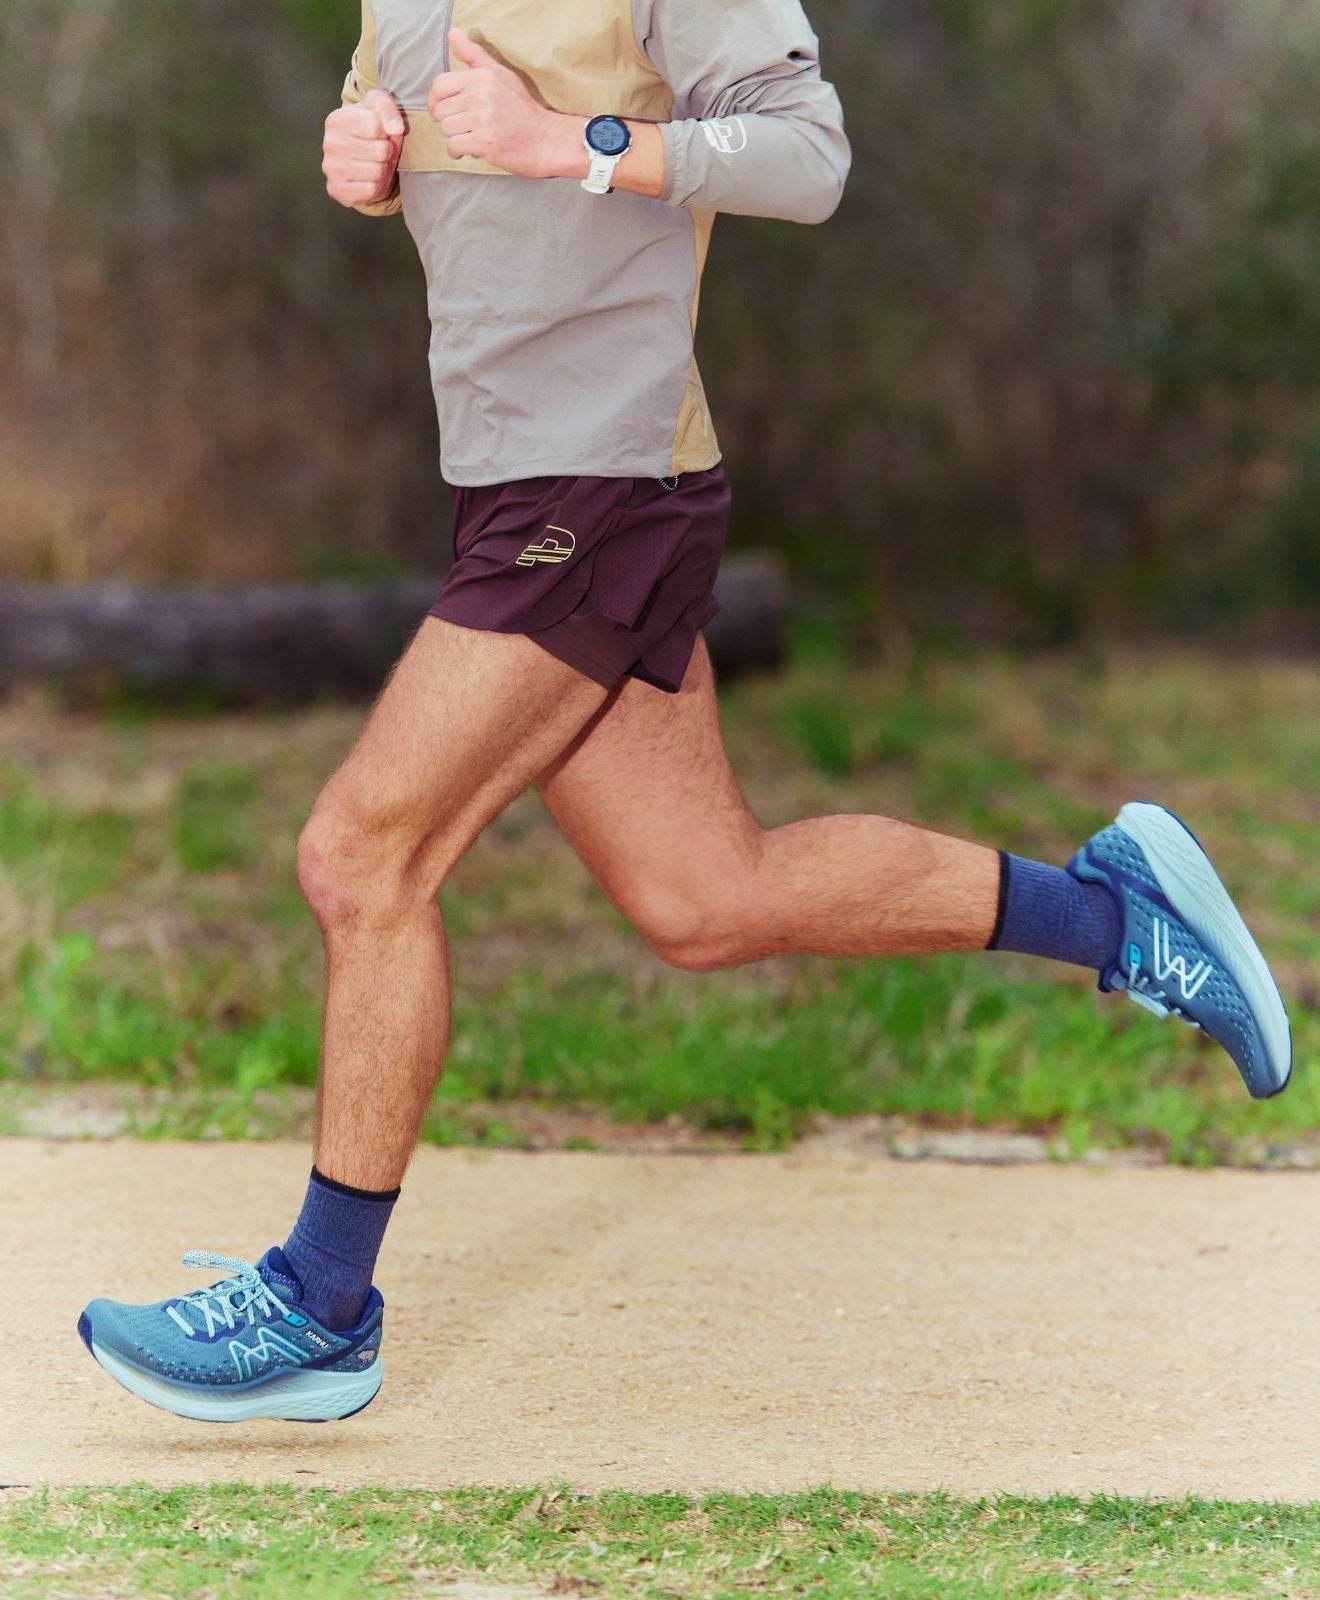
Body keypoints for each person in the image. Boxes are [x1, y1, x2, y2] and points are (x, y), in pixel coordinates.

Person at [78, 0, 1291, 1425]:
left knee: (362, 857)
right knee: (708, 896)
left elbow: (809, 157)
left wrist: (573, 141)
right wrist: (365, 158)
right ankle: (1121, 916)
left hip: (601, 486)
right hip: (515, 479)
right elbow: (398, 135)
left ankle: (319, 1304)